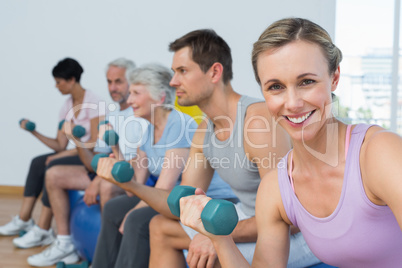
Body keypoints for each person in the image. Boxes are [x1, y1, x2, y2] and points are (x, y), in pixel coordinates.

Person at [178, 17, 402, 268]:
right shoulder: (276, 187)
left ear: (335, 77)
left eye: (306, 82)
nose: (293, 103)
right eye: (276, 87)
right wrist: (220, 239)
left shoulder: (378, 153)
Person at [23, 58, 148, 267]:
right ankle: (65, 243)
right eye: (109, 82)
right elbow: (93, 163)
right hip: (112, 172)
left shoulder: (140, 114)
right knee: (52, 173)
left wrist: (98, 181)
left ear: (132, 82)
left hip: (131, 177)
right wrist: (78, 140)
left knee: (107, 185)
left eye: (118, 82)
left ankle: (112, 256)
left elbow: (138, 162)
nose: (113, 88)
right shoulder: (112, 117)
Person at [92, 63, 216, 268]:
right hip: (171, 199)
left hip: (201, 201)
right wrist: (115, 148)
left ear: (159, 98)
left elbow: (164, 188)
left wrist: (131, 213)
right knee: (114, 208)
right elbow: (135, 187)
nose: (129, 100)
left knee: (136, 219)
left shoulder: (179, 125)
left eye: (136, 93)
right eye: (130, 93)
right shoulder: (148, 129)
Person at [0, 58, 104, 245]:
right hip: (75, 152)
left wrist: (62, 155)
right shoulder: (67, 105)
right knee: (38, 161)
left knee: (53, 163)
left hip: (91, 157)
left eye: (58, 81)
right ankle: (24, 219)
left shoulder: (93, 101)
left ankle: (43, 228)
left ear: (72, 79)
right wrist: (34, 132)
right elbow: (59, 145)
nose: (56, 86)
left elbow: (95, 143)